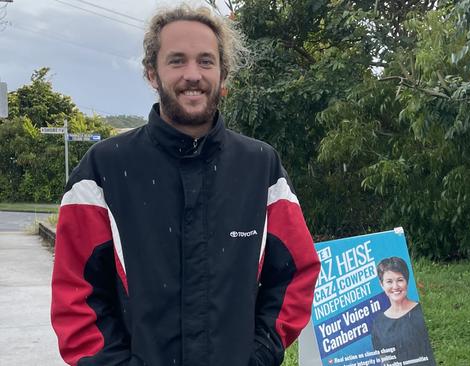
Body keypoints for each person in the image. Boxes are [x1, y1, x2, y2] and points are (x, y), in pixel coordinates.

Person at [50, 5, 320, 366]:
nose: (193, 74)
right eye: (177, 60)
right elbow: (75, 297)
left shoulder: (261, 166)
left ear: (224, 74)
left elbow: (295, 273)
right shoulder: (102, 169)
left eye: (206, 61)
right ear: (151, 72)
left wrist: (259, 354)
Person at [371, 257, 436, 365]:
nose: (395, 286)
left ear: (407, 281)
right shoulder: (378, 324)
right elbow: (384, 360)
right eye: (389, 281)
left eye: (400, 280)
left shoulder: (422, 312)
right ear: (382, 284)